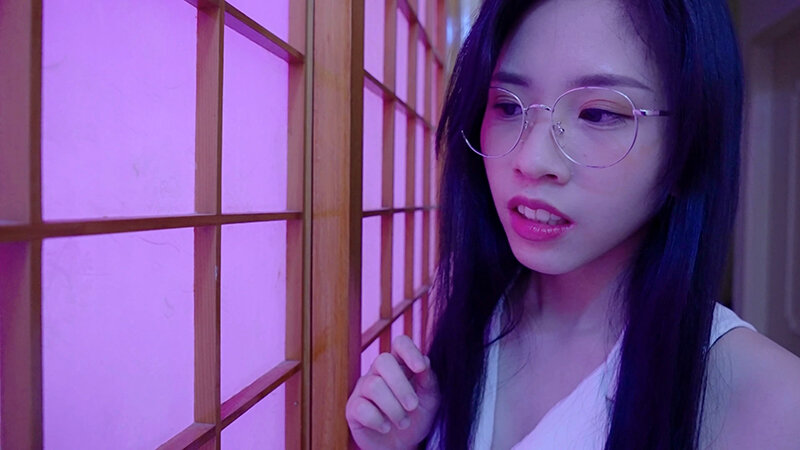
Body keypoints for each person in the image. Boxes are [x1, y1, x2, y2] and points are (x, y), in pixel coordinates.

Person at [346, 0, 800, 448]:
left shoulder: (770, 402)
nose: (531, 159)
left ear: (689, 149)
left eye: (597, 114)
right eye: (507, 106)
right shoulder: (462, 310)